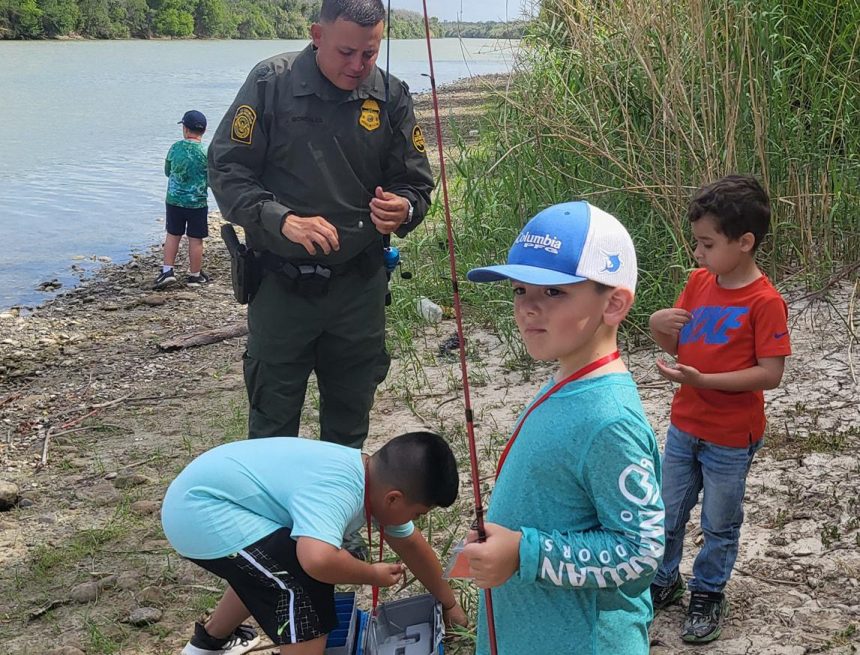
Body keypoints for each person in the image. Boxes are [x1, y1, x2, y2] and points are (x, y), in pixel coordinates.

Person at [208, 0, 433, 447]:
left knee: (349, 429)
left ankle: (339, 515)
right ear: (317, 35)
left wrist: (404, 209)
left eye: (370, 53)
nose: (358, 65)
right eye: (346, 52)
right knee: (272, 426)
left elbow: (416, 183)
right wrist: (282, 219)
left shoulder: (391, 95)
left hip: (359, 289)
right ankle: (275, 518)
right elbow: (226, 169)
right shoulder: (272, 82)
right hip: (280, 286)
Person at [461, 201, 665, 655]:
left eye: (554, 292)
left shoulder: (609, 419)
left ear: (613, 303)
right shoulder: (564, 379)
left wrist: (524, 553)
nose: (529, 308)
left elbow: (641, 552)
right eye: (519, 291)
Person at [162, 431, 468, 655]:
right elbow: (318, 561)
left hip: (207, 502)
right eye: (418, 513)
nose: (416, 520)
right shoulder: (339, 492)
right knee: (304, 584)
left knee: (272, 567)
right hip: (199, 513)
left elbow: (412, 545)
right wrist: (370, 573)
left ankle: (208, 644)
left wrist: (449, 603)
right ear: (393, 498)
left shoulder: (367, 476)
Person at [648, 175, 791, 643]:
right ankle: (664, 579)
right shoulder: (697, 283)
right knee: (669, 508)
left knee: (719, 520)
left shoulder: (764, 301)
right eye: (697, 244)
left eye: (707, 244)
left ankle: (708, 591)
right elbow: (678, 342)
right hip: (686, 423)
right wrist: (657, 327)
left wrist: (706, 381)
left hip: (731, 433)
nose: (698, 254)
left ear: (745, 242)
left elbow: (771, 373)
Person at [154, 110, 211, 289]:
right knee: (196, 239)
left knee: (173, 235)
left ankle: (168, 271)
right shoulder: (207, 152)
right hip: (198, 203)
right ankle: (195, 275)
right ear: (204, 131)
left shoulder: (175, 148)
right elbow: (211, 178)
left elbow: (167, 171)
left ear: (185, 129)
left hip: (174, 201)